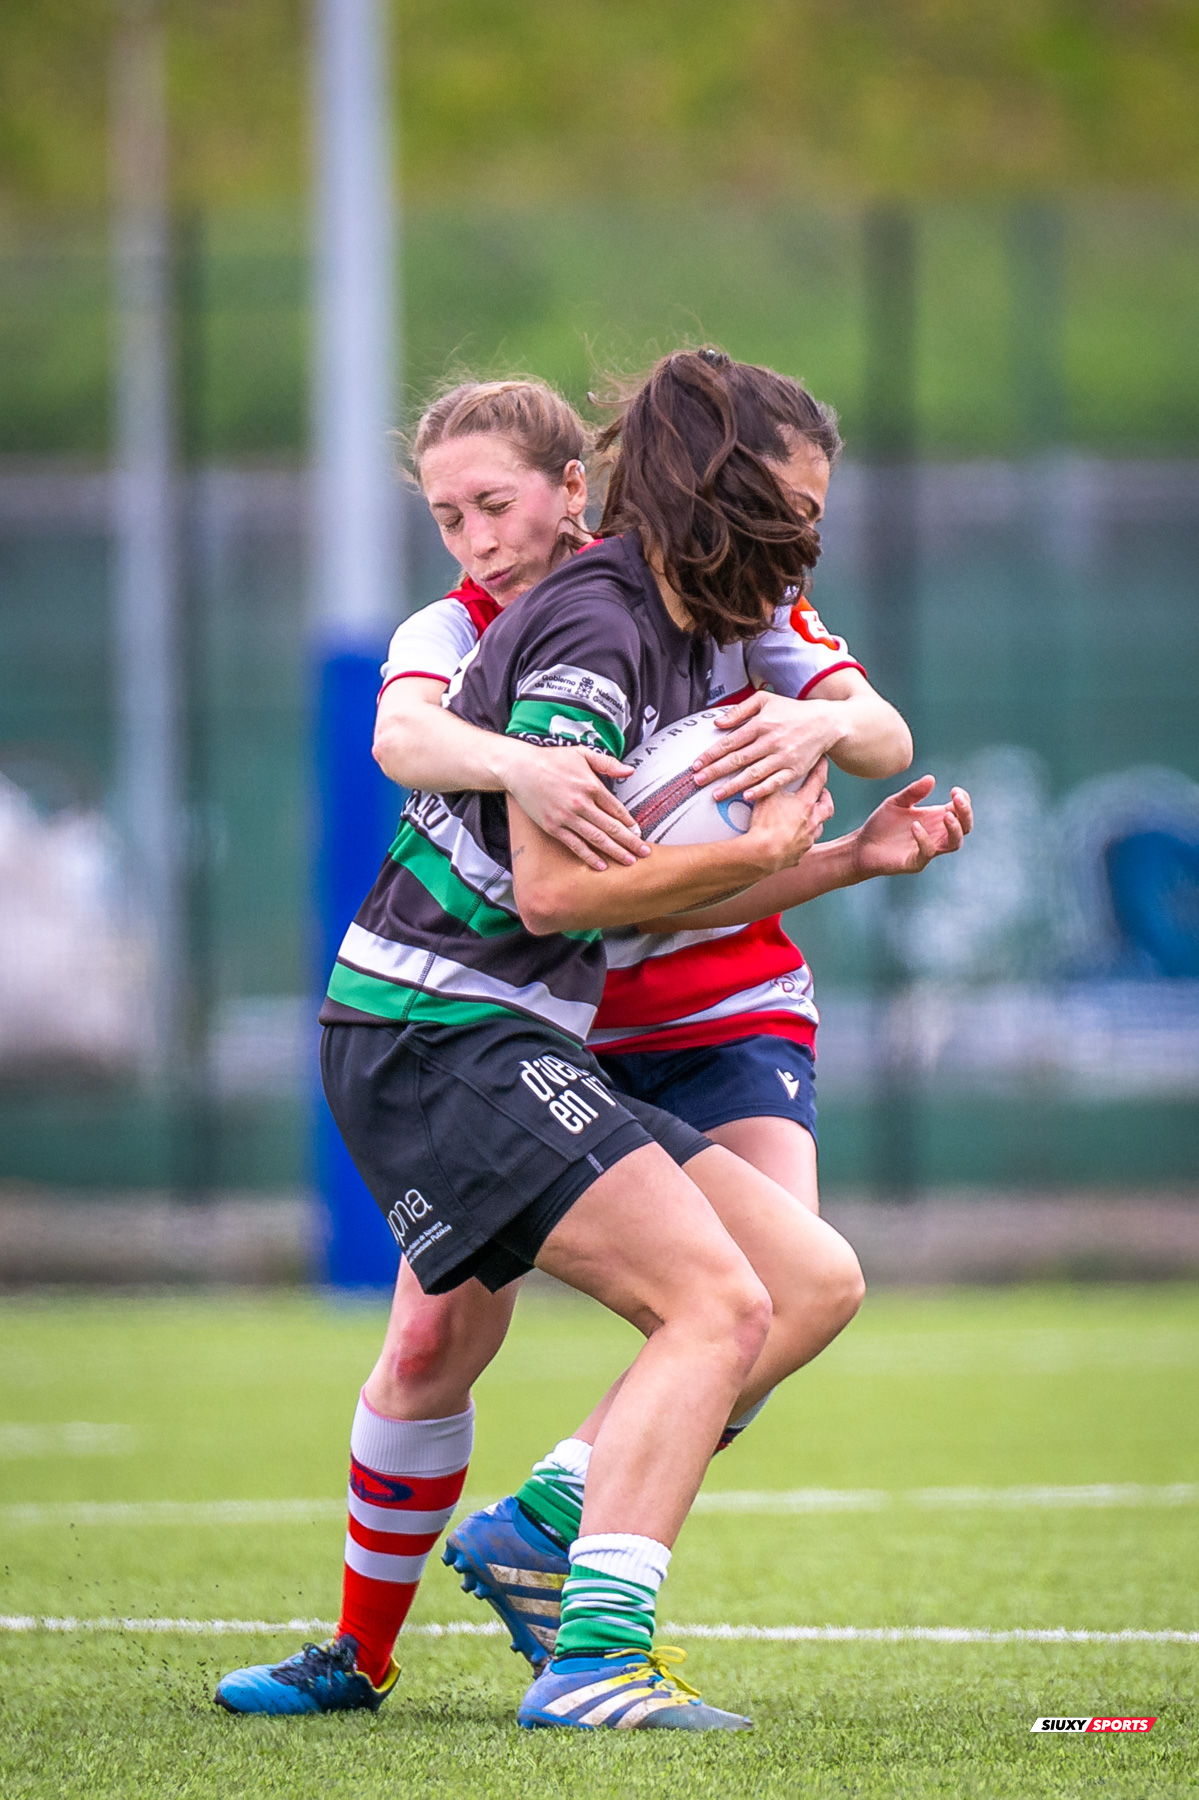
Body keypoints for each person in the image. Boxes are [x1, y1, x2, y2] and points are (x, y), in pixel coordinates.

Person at [215, 359, 970, 1724]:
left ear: (584, 492)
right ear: (721, 494)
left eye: (490, 503)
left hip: (541, 1025)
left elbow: (846, 748)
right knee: (685, 1308)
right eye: (793, 509)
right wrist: (531, 769)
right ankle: (577, 1662)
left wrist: (844, 854)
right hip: (445, 1029)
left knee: (800, 1280)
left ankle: (548, 1544)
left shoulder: (704, 609)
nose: (810, 536)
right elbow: (551, 883)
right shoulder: (587, 629)